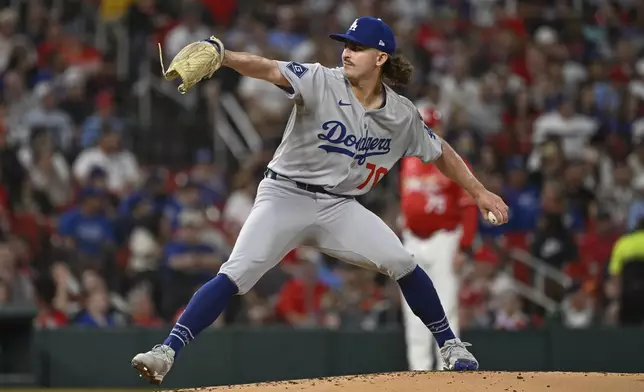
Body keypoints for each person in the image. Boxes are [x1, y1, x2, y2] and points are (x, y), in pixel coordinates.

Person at [131, 17, 509, 385]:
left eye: (357, 47)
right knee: (236, 273)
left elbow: (439, 150)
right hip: (284, 195)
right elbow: (267, 68)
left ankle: (451, 345)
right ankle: (166, 352)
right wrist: (224, 54)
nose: (346, 52)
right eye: (345, 44)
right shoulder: (320, 80)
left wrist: (479, 191)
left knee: (401, 261)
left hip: (340, 206)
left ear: (380, 58)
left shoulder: (401, 114)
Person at [399, 106, 478, 371]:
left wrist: (464, 246)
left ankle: (449, 369)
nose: (427, 130)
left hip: (444, 239)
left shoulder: (453, 162)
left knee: (446, 303)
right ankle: (419, 370)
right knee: (413, 308)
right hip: (412, 240)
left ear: (441, 129)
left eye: (432, 126)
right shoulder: (408, 161)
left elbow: (468, 207)